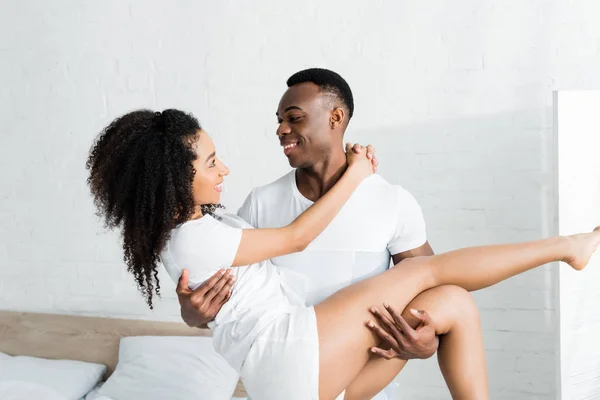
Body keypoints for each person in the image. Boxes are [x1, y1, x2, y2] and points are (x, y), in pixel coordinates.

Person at [86, 108, 600, 400]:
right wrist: (357, 174)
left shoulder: (208, 223)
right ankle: (568, 247)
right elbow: (296, 238)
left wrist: (421, 340)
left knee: (452, 304)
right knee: (426, 270)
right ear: (174, 176)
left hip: (293, 373)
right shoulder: (207, 228)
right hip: (289, 352)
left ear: (336, 118)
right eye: (212, 162)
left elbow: (225, 296)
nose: (223, 170)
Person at [176, 68, 479, 399]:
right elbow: (238, 309)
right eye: (279, 119)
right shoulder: (261, 204)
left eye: (294, 118)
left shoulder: (389, 201)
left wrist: (428, 340)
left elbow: (432, 286)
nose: (281, 129)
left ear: (336, 117)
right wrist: (193, 314)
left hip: (362, 389)